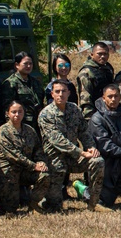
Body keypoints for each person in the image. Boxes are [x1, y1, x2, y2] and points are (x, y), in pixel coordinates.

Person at [38, 79, 105, 212]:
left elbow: (84, 132)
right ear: (52, 94)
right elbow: (57, 140)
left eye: (64, 91)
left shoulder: (74, 109)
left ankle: (94, 202)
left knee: (97, 161)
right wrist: (81, 152)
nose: (60, 94)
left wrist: (91, 147)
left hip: (73, 157)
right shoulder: (45, 114)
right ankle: (47, 200)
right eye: (57, 91)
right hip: (54, 159)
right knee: (54, 207)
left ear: (69, 93)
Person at [0, 100, 50, 215]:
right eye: (13, 112)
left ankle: (34, 204)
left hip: (26, 170)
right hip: (8, 170)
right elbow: (13, 156)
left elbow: (38, 149)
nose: (17, 115)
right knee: (9, 210)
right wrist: (34, 165)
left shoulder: (29, 130)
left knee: (44, 175)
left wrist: (41, 162)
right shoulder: (3, 132)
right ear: (7, 113)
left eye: (20, 112)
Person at [2, 52, 46, 132]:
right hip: (21, 126)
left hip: (38, 125)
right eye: (25, 64)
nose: (29, 66)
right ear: (17, 65)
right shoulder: (11, 83)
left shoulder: (36, 82)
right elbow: (7, 109)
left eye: (30, 64)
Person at [76, 42, 114, 121]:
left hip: (107, 114)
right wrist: (90, 120)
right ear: (92, 55)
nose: (103, 56)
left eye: (105, 54)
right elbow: (85, 100)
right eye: (99, 54)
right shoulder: (86, 72)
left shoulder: (108, 69)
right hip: (93, 116)